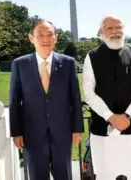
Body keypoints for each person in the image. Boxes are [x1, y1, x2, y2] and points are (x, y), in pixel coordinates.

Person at [9, 20, 84, 180]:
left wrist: (77, 128)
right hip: (32, 135)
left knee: (64, 175)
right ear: (31, 38)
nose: (45, 39)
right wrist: (16, 132)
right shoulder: (20, 64)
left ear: (56, 38)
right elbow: (14, 100)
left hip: (62, 133)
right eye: (40, 35)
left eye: (49, 34)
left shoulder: (68, 63)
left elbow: (75, 98)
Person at [82, 15, 131, 180]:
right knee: (105, 174)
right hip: (102, 129)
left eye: (118, 27)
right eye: (109, 28)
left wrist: (127, 116)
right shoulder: (92, 56)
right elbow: (89, 93)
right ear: (101, 32)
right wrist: (111, 117)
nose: (115, 31)